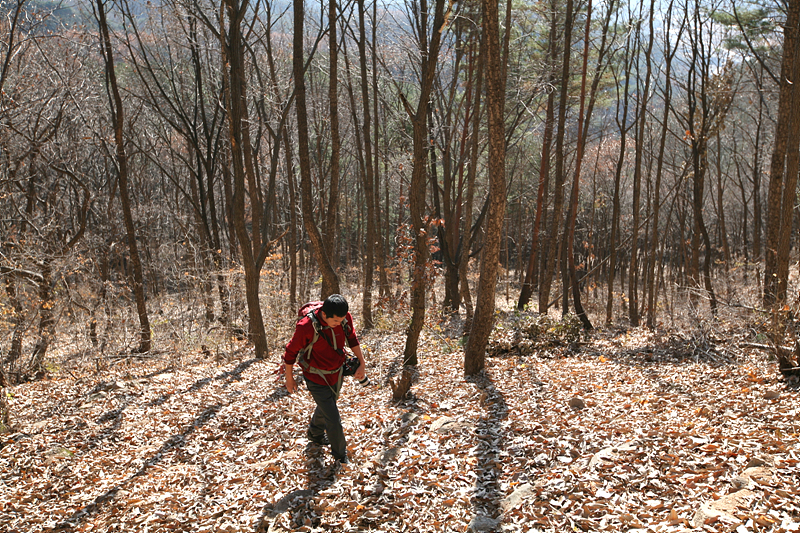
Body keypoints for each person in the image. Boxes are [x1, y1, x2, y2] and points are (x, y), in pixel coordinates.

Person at [282, 294, 365, 465]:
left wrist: (362, 363)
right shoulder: (306, 326)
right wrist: (289, 378)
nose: (339, 323)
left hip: (337, 372)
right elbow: (290, 353)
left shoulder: (344, 318)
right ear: (324, 314)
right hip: (315, 376)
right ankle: (341, 458)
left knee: (328, 405)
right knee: (333, 418)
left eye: (341, 320)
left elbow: (352, 339)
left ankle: (315, 433)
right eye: (335, 321)